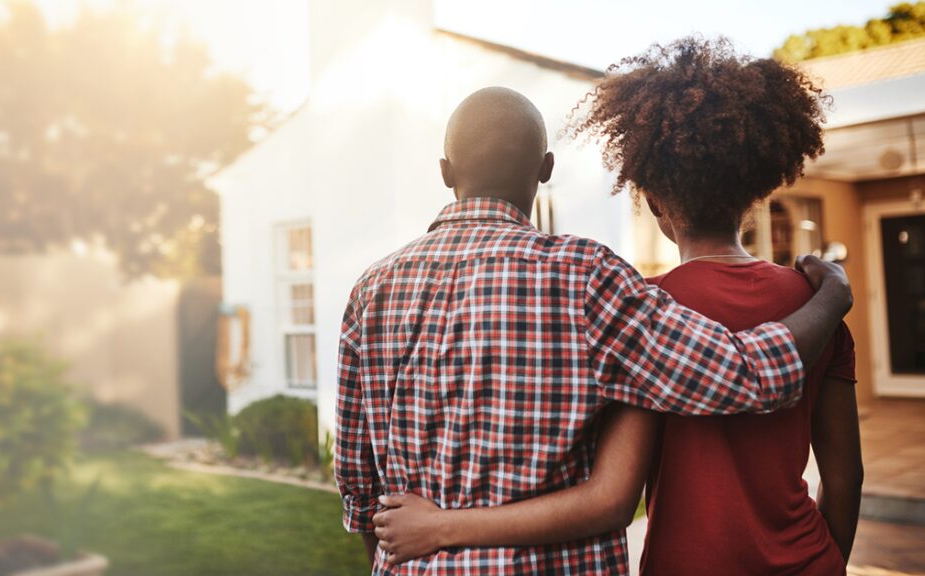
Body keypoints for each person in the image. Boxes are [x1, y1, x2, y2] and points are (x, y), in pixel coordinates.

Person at [369, 39, 863, 576]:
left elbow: (362, 492)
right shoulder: (811, 308)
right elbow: (845, 476)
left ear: (652, 201)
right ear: (757, 192)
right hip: (810, 559)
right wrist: (833, 296)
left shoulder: (645, 303)